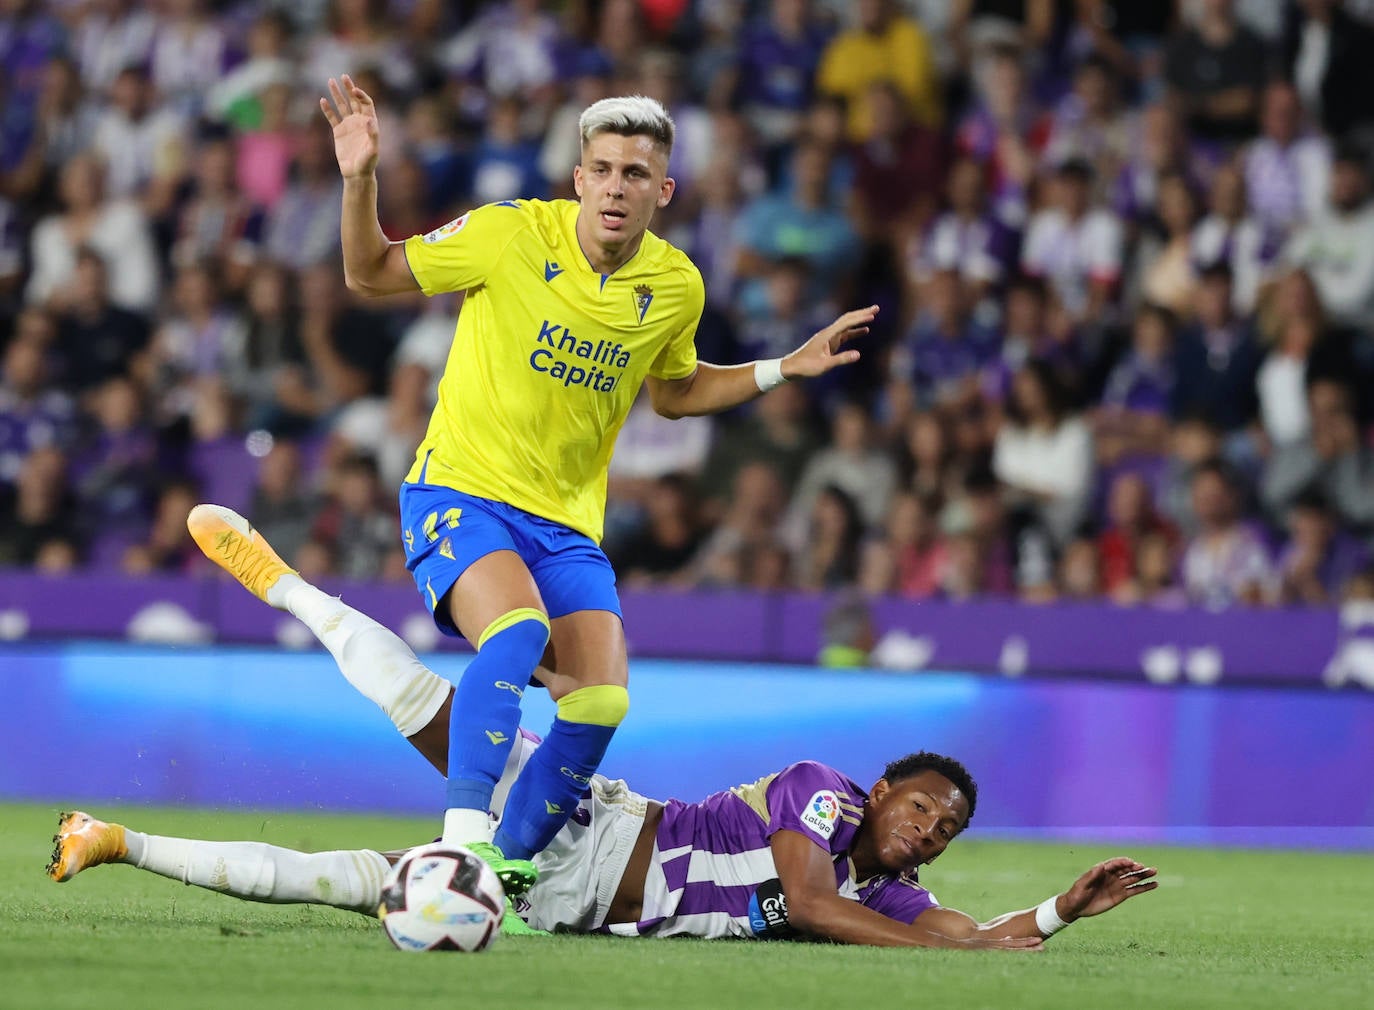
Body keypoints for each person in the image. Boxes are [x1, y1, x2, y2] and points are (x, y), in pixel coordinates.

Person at [227, 78, 875, 903]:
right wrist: (360, 180)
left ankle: (509, 874)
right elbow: (370, 272)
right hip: (460, 490)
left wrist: (783, 366)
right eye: (601, 169)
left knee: (601, 699)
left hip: (565, 525)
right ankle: (458, 856)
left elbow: (674, 392)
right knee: (516, 633)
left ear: (662, 191)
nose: (615, 186)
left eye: (635, 174)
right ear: (577, 178)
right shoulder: (507, 235)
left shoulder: (675, 287)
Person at [48, 525, 1158, 946]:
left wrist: (1062, 908)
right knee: (425, 712)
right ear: (880, 790)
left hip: (556, 903)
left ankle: (114, 838)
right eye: (923, 803)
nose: (930, 829)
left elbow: (972, 939)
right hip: (584, 822)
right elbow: (811, 906)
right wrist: (933, 943)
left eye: (948, 827)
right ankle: (286, 582)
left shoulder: (892, 901)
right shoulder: (824, 795)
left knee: (333, 884)